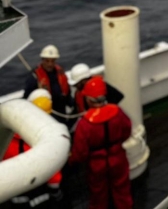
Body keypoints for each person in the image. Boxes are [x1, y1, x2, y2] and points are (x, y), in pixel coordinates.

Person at [69, 76, 133, 209]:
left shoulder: (84, 124)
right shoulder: (118, 113)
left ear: (89, 100)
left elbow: (80, 152)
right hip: (118, 158)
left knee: (98, 195)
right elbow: (127, 130)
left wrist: (71, 161)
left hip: (96, 164)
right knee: (122, 190)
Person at [2, 89, 64, 208]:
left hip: (16, 194)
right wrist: (56, 192)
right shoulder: (43, 144)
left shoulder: (7, 141)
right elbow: (54, 175)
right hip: (41, 192)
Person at [23, 45, 71, 125]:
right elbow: (27, 98)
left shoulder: (60, 72)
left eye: (52, 61)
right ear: (42, 60)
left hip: (61, 111)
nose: (50, 64)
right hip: (45, 115)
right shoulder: (34, 77)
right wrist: (38, 91)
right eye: (47, 61)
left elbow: (67, 92)